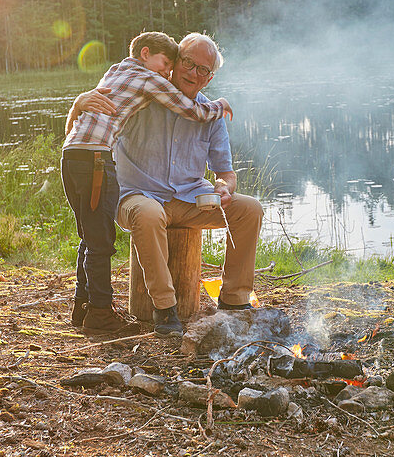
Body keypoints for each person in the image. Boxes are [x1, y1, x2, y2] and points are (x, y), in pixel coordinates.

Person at [76, 32, 263, 338]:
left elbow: (225, 172)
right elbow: (98, 109)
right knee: (148, 213)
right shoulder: (142, 96)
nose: (194, 73)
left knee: (250, 209)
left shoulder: (211, 113)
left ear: (210, 77)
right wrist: (80, 101)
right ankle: (165, 308)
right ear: (175, 63)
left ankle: (234, 300)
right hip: (135, 197)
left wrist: (224, 187)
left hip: (192, 201)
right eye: (189, 63)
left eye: (203, 69)